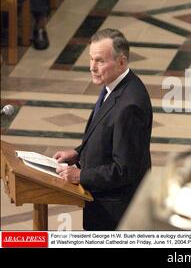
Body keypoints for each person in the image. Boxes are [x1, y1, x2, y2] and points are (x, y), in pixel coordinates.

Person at [53, 28, 153, 231]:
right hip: (104, 207)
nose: (92, 67)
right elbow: (106, 136)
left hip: (117, 215)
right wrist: (78, 153)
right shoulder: (114, 87)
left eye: (100, 61)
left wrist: (81, 175)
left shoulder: (130, 105)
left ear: (122, 62)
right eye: (91, 59)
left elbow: (124, 170)